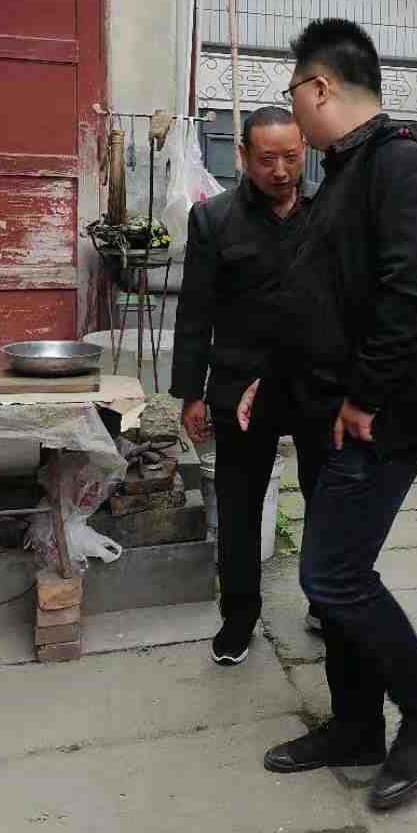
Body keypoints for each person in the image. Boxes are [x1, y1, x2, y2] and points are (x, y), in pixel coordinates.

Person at [239, 18, 417, 812]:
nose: (293, 113)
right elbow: (323, 301)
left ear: (320, 87)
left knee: (332, 576)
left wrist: (366, 396)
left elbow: (415, 287)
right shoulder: (347, 171)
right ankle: (355, 726)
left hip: (380, 417)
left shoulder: (402, 165)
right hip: (329, 412)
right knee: (337, 577)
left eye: (293, 95)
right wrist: (271, 385)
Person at [170, 106, 310, 666]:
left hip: (313, 384)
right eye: (268, 158)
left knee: (330, 500)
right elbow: (194, 313)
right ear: (244, 156)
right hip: (238, 383)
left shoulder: (328, 213)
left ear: (305, 151)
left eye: (292, 157)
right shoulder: (215, 220)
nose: (281, 170)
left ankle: (328, 601)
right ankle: (239, 616)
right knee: (238, 506)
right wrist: (192, 393)